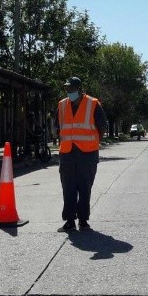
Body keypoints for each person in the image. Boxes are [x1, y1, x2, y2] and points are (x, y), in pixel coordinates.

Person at [55, 76, 107, 232]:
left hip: (87, 154)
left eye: (71, 88)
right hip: (67, 153)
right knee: (68, 188)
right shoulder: (62, 105)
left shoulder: (93, 104)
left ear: (79, 89)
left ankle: (83, 220)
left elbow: (102, 126)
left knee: (85, 188)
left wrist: (94, 141)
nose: (69, 91)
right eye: (67, 88)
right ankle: (70, 221)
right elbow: (58, 126)